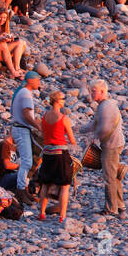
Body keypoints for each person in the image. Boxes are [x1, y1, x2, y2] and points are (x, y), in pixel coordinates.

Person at [79, 78, 125, 218]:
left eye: (93, 91)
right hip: (113, 143)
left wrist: (94, 136)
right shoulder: (105, 105)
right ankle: (119, 205)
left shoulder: (106, 106)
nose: (91, 94)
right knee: (114, 176)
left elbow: (103, 128)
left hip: (111, 145)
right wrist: (79, 130)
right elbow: (94, 125)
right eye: (90, 91)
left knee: (109, 177)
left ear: (102, 91)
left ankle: (111, 209)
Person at [36, 89, 76, 222]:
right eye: (63, 99)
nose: (64, 101)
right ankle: (62, 216)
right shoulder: (64, 118)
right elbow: (72, 139)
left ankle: (41, 213)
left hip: (47, 153)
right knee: (65, 185)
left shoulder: (44, 117)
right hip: (60, 154)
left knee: (46, 184)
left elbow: (42, 135)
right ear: (57, 101)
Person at [11, 70, 41, 205]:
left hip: (20, 129)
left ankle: (24, 189)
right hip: (21, 129)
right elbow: (27, 115)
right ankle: (20, 190)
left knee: (27, 161)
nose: (39, 83)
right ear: (30, 80)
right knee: (27, 162)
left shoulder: (22, 92)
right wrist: (38, 127)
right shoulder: (26, 94)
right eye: (38, 80)